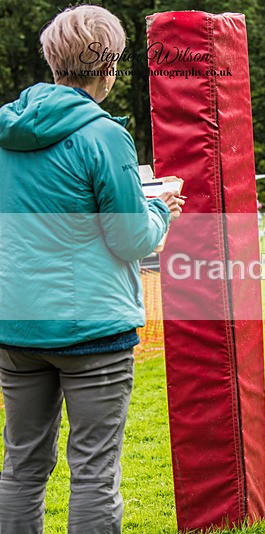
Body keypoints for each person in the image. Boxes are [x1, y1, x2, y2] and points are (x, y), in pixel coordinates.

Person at [0, 6, 184, 533]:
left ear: (53, 60)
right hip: (92, 329)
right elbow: (131, 238)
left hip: (17, 324)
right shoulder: (104, 136)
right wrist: (160, 208)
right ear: (108, 67)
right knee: (95, 474)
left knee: (22, 467)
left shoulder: (7, 130)